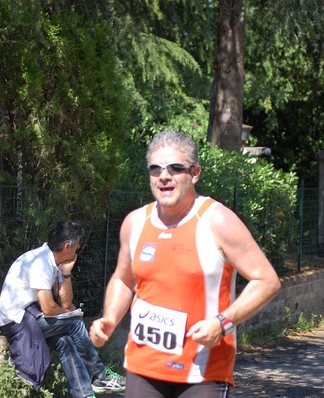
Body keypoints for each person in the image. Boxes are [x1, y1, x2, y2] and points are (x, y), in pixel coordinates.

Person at [89, 130, 282, 398]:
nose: (164, 176)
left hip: (201, 372)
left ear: (195, 173)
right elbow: (123, 279)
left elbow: (267, 280)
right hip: (143, 367)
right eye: (155, 169)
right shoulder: (135, 223)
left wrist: (223, 323)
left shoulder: (217, 221)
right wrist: (109, 318)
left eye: (175, 168)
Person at [0, 220, 125, 398]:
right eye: (77, 243)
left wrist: (66, 273)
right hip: (17, 323)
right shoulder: (41, 263)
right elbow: (49, 308)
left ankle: (84, 394)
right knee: (75, 323)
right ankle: (100, 376)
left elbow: (65, 303)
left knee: (66, 341)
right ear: (67, 246)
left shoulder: (54, 262)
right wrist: (70, 315)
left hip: (32, 318)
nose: (79, 247)